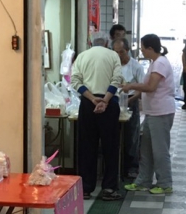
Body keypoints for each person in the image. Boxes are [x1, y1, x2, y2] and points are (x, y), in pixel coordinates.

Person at [70, 36, 124, 201]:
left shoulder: (82, 56)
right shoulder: (113, 55)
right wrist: (105, 101)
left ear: (90, 43)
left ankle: (86, 189)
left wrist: (93, 99)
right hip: (109, 103)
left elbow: (75, 81)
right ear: (107, 43)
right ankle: (109, 188)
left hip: (88, 103)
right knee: (110, 147)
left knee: (87, 147)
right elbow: (116, 80)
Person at [123, 34, 176, 195]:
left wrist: (131, 85)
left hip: (161, 112)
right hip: (152, 113)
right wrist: (132, 96)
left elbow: (151, 87)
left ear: (150, 48)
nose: (141, 51)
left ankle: (165, 183)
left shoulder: (160, 63)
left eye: (143, 48)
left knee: (160, 150)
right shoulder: (155, 62)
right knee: (145, 150)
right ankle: (143, 181)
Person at [114, 37, 144, 178]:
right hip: (115, 100)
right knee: (115, 135)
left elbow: (141, 88)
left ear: (127, 50)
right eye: (116, 52)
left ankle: (132, 166)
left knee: (132, 135)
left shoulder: (136, 67)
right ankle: (117, 166)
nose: (119, 55)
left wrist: (129, 100)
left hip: (131, 101)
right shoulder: (113, 66)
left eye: (121, 52)